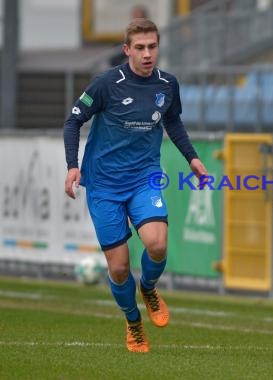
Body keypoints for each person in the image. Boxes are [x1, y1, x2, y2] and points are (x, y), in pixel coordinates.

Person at [63, 18, 207, 353]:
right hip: (103, 183)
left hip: (144, 177)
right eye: (139, 48)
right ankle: (132, 321)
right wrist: (72, 166)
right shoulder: (106, 84)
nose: (147, 54)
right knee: (119, 266)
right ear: (127, 50)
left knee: (156, 245)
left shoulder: (167, 84)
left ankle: (150, 287)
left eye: (152, 47)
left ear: (158, 47)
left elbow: (172, 120)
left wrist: (193, 158)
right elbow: (74, 120)